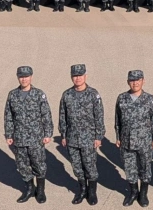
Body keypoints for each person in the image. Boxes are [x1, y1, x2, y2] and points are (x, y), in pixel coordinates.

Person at [4, 66, 53, 204]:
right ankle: (30, 189)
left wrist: (48, 133)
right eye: (21, 77)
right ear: (18, 77)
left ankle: (41, 191)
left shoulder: (39, 94)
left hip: (36, 137)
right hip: (19, 137)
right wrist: (9, 134)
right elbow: (8, 116)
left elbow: (46, 115)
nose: (23, 79)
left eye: (26, 76)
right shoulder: (12, 95)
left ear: (31, 77)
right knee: (23, 165)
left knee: (39, 164)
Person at [59, 64, 105, 206]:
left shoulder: (93, 94)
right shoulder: (67, 94)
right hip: (72, 138)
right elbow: (62, 116)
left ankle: (92, 193)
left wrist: (98, 136)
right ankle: (82, 190)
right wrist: (63, 135)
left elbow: (99, 116)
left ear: (85, 76)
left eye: (80, 75)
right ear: (71, 77)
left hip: (89, 138)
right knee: (77, 167)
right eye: (75, 76)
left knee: (90, 166)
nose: (77, 78)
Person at [115, 70, 153, 207]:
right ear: (128, 82)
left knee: (145, 167)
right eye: (132, 80)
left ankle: (143, 194)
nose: (135, 83)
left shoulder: (149, 99)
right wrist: (118, 136)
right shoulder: (122, 98)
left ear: (143, 81)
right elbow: (118, 119)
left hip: (145, 141)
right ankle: (133, 192)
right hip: (126, 140)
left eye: (138, 80)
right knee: (129, 168)